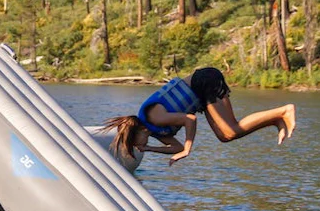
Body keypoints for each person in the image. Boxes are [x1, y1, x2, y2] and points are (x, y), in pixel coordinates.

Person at [103, 67, 296, 166]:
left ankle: (284, 111)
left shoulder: (153, 117)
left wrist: (188, 149)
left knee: (231, 129)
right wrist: (150, 148)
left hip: (203, 80)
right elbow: (176, 148)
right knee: (226, 136)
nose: (138, 146)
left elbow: (190, 120)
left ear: (139, 131)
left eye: (136, 142)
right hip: (201, 93)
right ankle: (276, 119)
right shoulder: (154, 131)